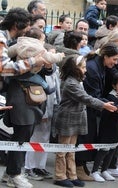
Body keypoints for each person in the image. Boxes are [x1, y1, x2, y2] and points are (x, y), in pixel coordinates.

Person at [0, 8, 51, 188]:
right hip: (20, 95)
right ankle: (15, 173)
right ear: (17, 24)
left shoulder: (9, 40)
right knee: (22, 135)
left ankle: (11, 173)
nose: (29, 30)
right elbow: (3, 68)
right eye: (28, 25)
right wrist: (33, 62)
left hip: (28, 96)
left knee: (23, 135)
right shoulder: (6, 40)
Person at [53, 54, 117, 187]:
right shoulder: (71, 83)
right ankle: (60, 176)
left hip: (74, 119)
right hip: (67, 120)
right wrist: (104, 105)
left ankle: (72, 175)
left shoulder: (76, 80)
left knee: (71, 150)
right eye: (82, 67)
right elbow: (86, 98)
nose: (85, 70)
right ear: (74, 68)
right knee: (63, 150)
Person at [75, 42, 118, 181]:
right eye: (114, 59)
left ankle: (82, 166)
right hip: (86, 109)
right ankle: (79, 166)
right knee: (85, 137)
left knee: (89, 137)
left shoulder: (100, 66)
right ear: (105, 56)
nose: (115, 63)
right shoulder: (93, 68)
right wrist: (106, 104)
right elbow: (92, 95)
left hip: (92, 107)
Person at [24, 44, 60, 181]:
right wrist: (43, 113)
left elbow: (56, 91)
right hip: (42, 107)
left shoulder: (53, 71)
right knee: (35, 138)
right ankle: (29, 167)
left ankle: (40, 165)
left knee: (44, 139)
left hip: (51, 108)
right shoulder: (38, 70)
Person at [91, 73, 118, 182]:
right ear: (114, 86)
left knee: (113, 150)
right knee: (104, 150)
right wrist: (117, 109)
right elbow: (109, 112)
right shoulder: (111, 97)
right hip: (109, 128)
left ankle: (106, 170)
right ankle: (95, 171)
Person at [7, 27, 64, 94]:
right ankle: (48, 89)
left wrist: (49, 68)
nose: (43, 42)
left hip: (20, 70)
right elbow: (50, 57)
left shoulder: (19, 44)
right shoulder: (40, 48)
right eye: (40, 26)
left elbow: (8, 52)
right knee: (40, 80)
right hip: (22, 83)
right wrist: (60, 56)